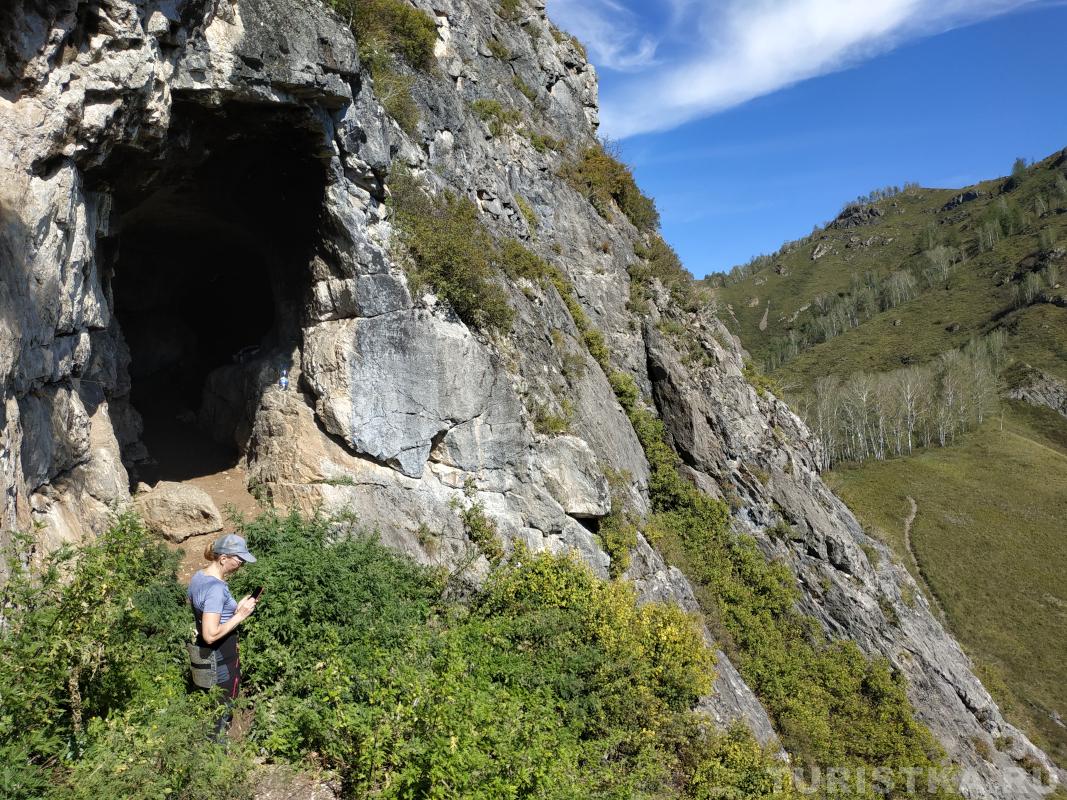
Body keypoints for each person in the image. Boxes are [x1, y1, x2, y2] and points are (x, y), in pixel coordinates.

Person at [187, 533, 258, 739]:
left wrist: (235, 610)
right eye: (239, 559)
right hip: (221, 657)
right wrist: (241, 616)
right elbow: (211, 634)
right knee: (221, 710)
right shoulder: (215, 589)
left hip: (205, 654)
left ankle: (205, 746)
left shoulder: (199, 577)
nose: (241, 564)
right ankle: (215, 752)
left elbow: (209, 615)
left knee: (209, 706)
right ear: (223, 558)